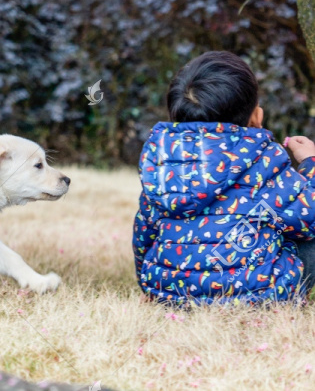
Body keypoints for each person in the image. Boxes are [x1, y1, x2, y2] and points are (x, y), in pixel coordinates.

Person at [133, 51, 315, 304]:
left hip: (170, 295)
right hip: (255, 297)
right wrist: (310, 163)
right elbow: (309, 217)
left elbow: (144, 234)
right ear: (256, 115)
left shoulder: (162, 163)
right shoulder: (264, 158)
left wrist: (151, 287)